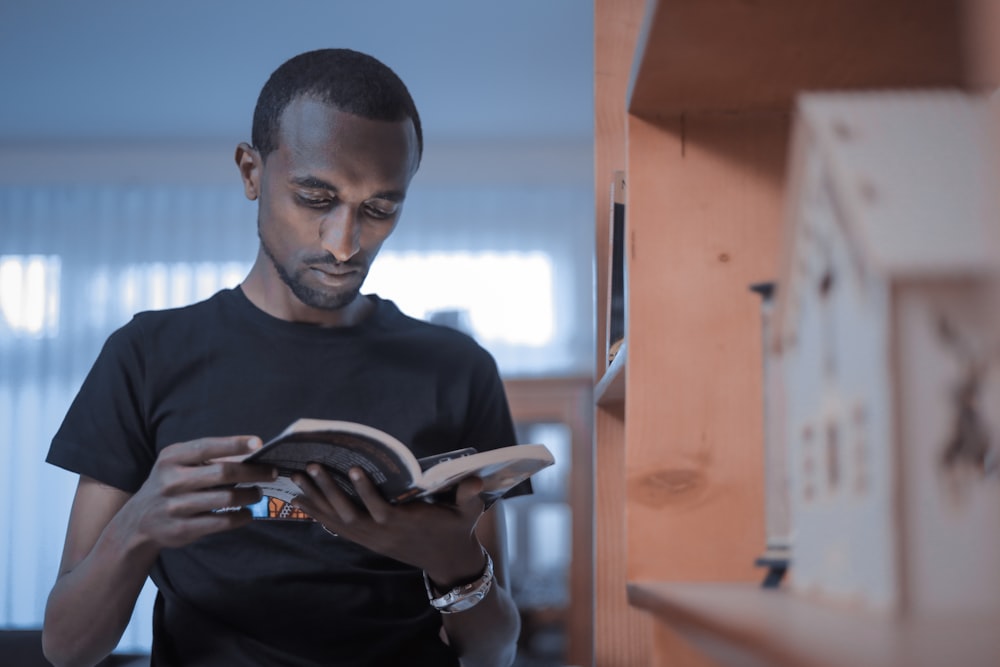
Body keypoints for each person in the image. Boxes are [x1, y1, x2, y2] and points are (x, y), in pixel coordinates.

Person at [41, 48, 525, 667]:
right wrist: (135, 529)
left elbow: (492, 653)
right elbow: (67, 648)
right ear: (250, 172)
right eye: (315, 197)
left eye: (379, 209)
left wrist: (455, 562)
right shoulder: (145, 354)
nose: (344, 243)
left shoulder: (457, 369)